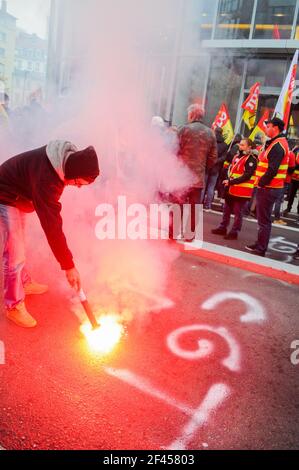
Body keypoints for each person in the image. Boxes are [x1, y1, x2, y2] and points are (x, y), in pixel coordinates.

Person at [0, 141, 100, 328]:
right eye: (78, 183)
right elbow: (52, 226)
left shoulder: (62, 160)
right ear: (73, 172)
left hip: (18, 195)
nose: (77, 187)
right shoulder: (48, 178)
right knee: (14, 253)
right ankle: (13, 306)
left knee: (19, 245)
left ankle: (23, 283)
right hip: (5, 195)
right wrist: (68, 265)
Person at [245, 117, 289, 257]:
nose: (265, 129)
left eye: (268, 126)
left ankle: (261, 248)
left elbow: (272, 169)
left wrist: (261, 183)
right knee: (262, 219)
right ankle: (259, 244)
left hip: (269, 187)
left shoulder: (278, 145)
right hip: (269, 187)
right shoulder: (275, 143)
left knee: (264, 220)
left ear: (275, 128)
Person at [178, 104, 217, 240]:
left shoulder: (183, 130)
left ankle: (173, 233)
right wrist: (203, 168)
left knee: (178, 204)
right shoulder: (210, 133)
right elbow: (213, 158)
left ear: (192, 115)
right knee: (194, 208)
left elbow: (174, 150)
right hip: (198, 178)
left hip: (181, 177)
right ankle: (190, 235)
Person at [211, 138, 258, 240]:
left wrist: (231, 182)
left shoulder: (251, 159)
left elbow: (247, 175)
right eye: (240, 144)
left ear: (249, 147)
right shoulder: (237, 156)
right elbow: (232, 171)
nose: (240, 146)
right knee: (226, 209)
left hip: (242, 191)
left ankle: (234, 232)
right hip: (231, 188)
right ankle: (223, 227)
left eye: (242, 145)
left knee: (238, 212)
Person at [202, 127, 228, 210]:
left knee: (203, 186)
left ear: (215, 132)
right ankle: (208, 205)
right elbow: (224, 157)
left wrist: (210, 160)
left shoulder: (210, 141)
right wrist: (216, 161)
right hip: (216, 169)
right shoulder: (225, 145)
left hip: (207, 166)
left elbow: (205, 153)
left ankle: (199, 203)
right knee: (211, 187)